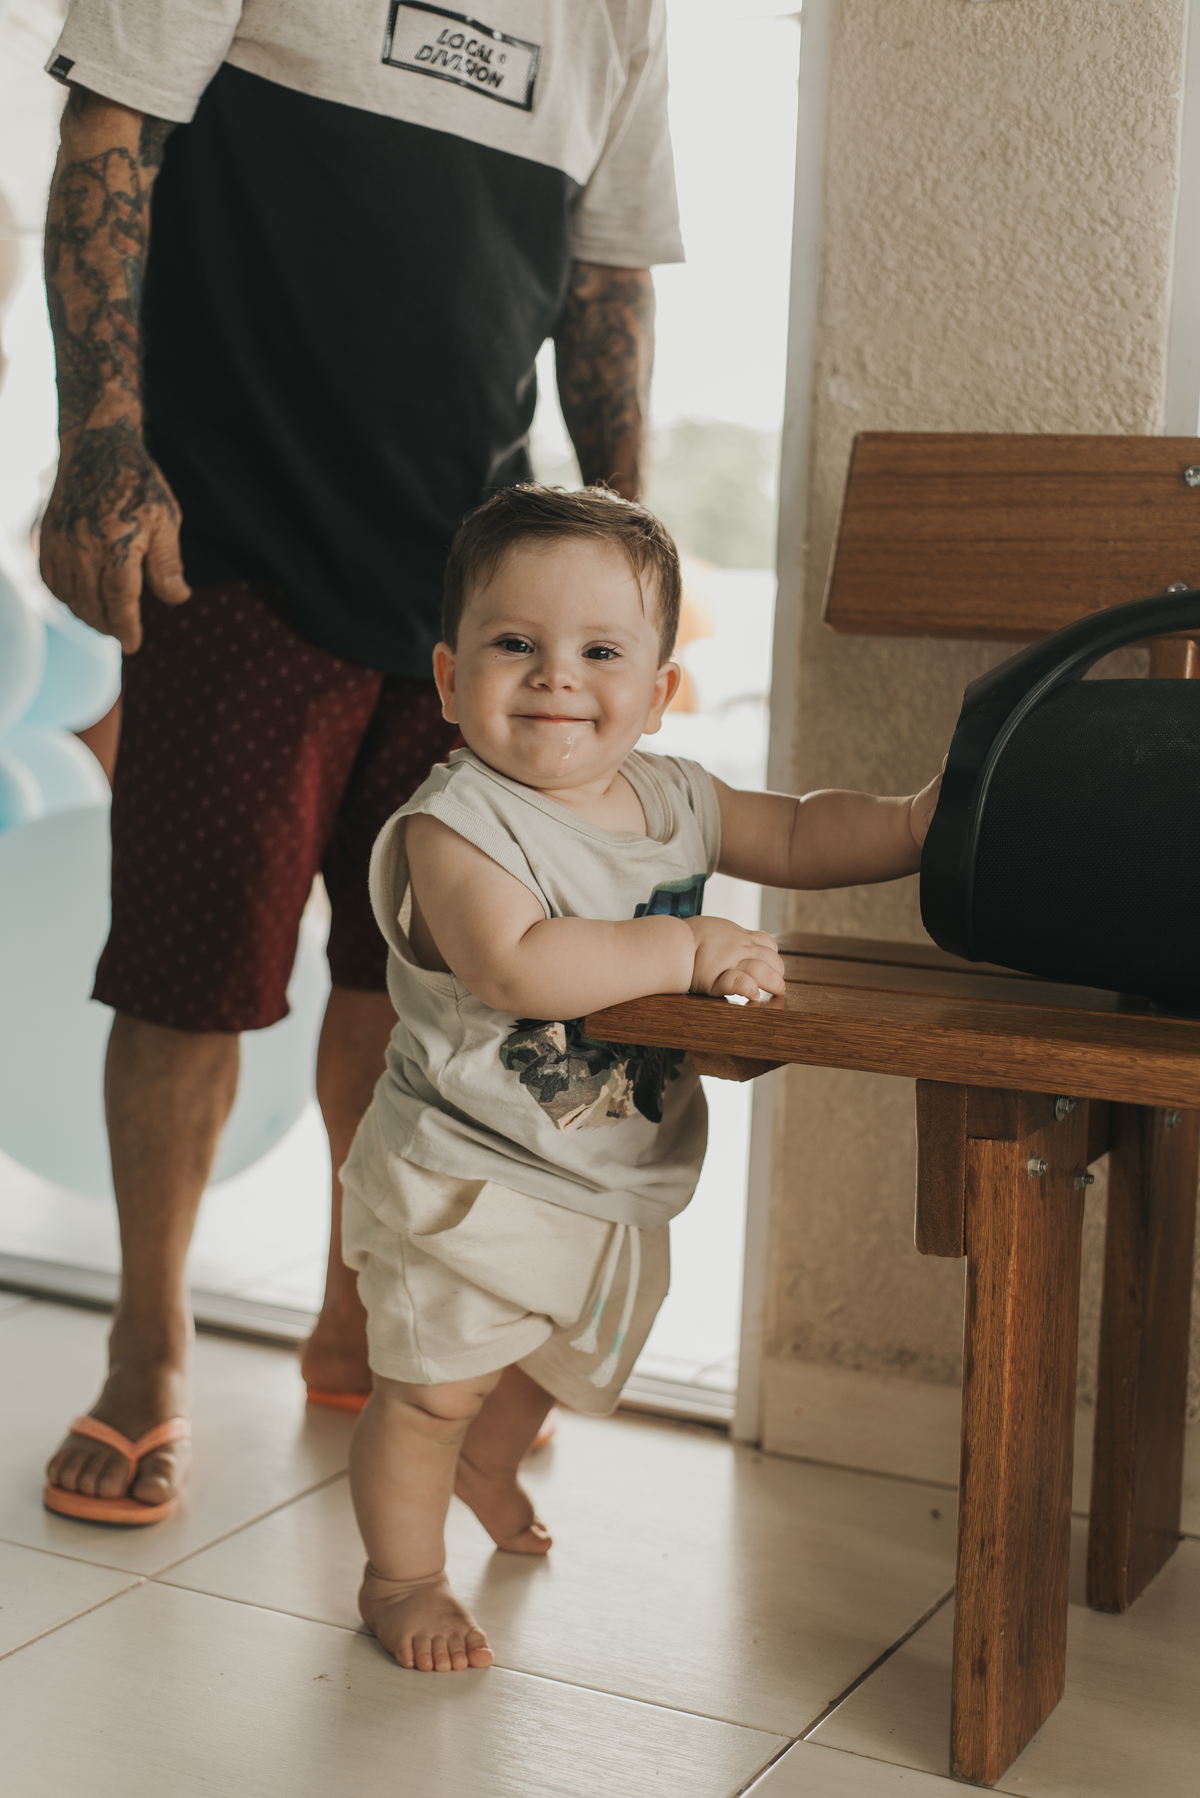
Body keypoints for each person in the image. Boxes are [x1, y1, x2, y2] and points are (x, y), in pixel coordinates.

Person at [37, 1, 683, 1523]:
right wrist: (101, 443)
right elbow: (107, 138)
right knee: (193, 963)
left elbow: (604, 277)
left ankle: (370, 1316)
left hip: (476, 587)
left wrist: (626, 568)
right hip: (236, 546)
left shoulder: (621, 14)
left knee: (422, 977)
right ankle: (150, 1350)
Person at [338, 484, 944, 1672]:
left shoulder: (671, 796)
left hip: (613, 1167)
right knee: (431, 1385)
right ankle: (399, 1575)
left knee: (563, 1355)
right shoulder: (456, 824)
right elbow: (516, 964)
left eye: (600, 650)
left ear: (658, 690)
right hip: (468, 1171)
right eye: (516, 644)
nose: (557, 675)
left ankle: (487, 1464)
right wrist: (688, 947)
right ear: (454, 680)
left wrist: (918, 823)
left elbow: (804, 831)